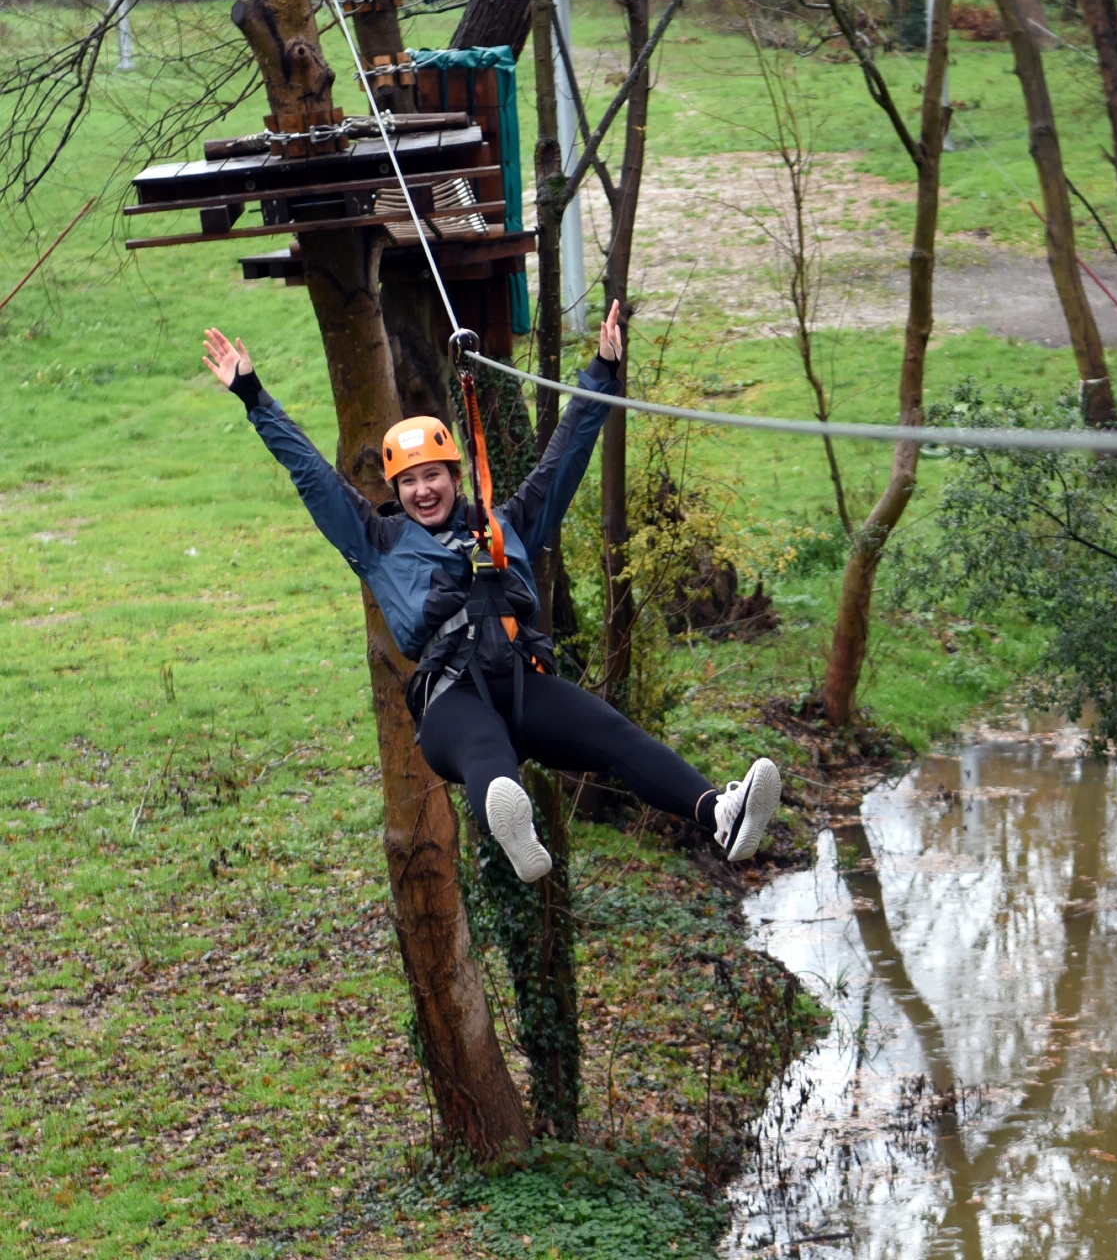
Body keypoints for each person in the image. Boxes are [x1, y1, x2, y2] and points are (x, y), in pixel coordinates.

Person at [201, 303, 780, 882]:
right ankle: (514, 826)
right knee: (487, 753)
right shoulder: (378, 541)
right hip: (452, 700)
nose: (423, 490)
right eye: (408, 481)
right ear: (396, 490)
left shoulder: (506, 526)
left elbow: (563, 461)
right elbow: (312, 475)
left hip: (525, 684)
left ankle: (719, 814)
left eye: (433, 476)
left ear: (456, 477)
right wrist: (253, 394)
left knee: (613, 733)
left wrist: (601, 373)